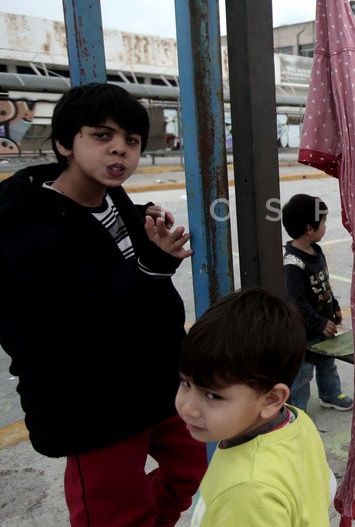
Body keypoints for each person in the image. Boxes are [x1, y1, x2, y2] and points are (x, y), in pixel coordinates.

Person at [0, 82, 206, 526]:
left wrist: (144, 214)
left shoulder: (109, 196)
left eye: (131, 141)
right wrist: (152, 267)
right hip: (92, 403)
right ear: (63, 143)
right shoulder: (25, 230)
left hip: (155, 383)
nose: (120, 151)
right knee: (114, 511)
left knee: (192, 469)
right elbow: (70, 321)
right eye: (102, 136)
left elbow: (107, 243)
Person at [176, 287, 335, 526]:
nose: (188, 408)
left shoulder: (247, 494)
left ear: (271, 399)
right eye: (186, 383)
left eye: (212, 396)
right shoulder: (296, 421)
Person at [281, 193, 354, 412]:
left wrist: (334, 309)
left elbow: (324, 284)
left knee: (327, 362)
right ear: (309, 228)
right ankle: (296, 410)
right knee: (302, 373)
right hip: (304, 331)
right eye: (322, 222)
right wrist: (318, 322)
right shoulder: (293, 263)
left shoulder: (316, 251)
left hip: (323, 324)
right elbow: (295, 301)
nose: (325, 226)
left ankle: (330, 394)